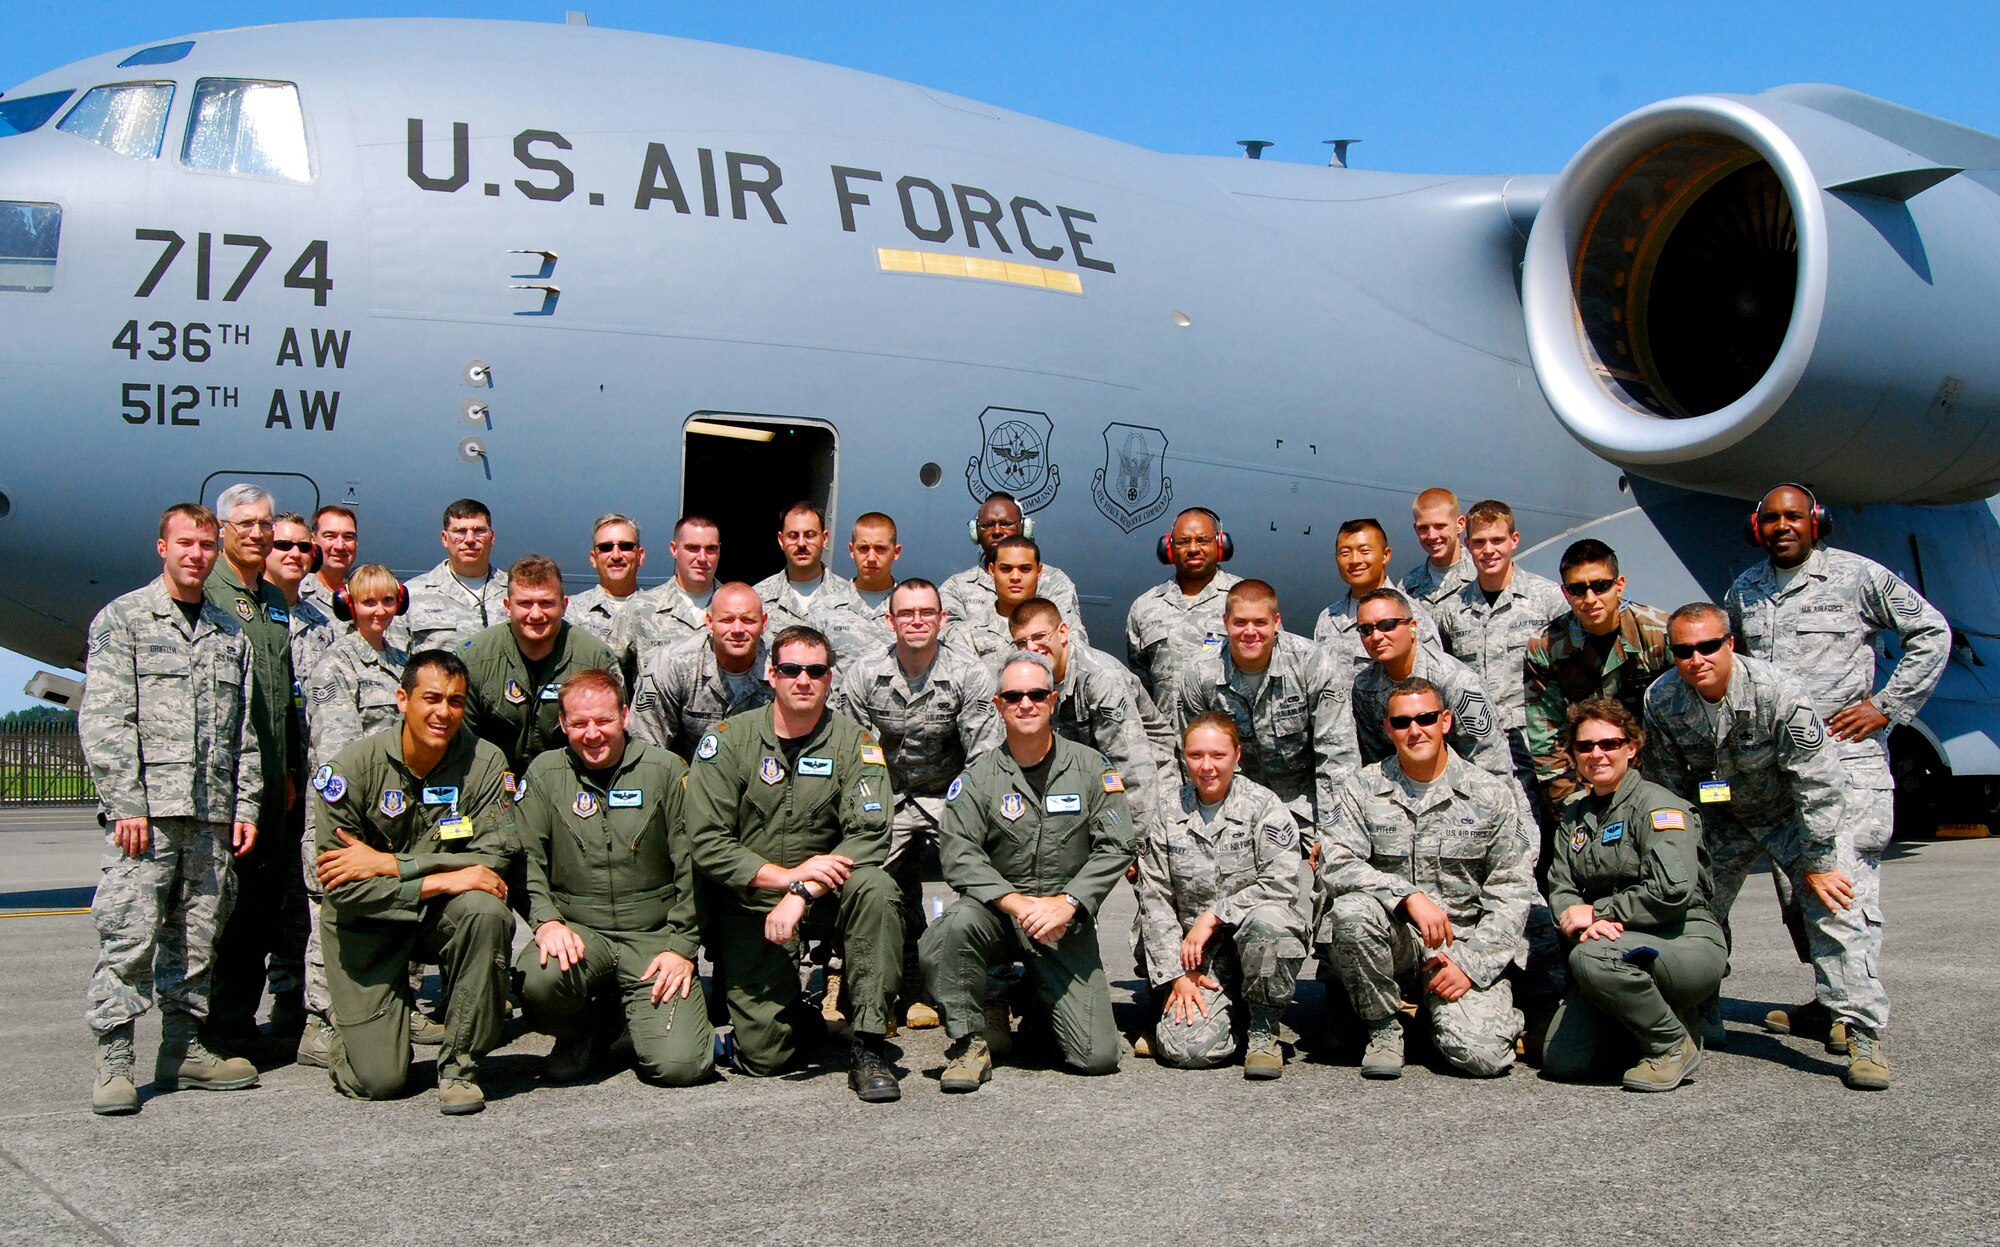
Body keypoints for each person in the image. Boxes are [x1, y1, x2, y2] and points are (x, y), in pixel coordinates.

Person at [1726, 483, 1948, 1051]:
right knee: (1798, 890)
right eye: (1772, 519)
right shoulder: (1746, 590)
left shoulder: (1857, 577)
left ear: (1815, 521)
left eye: (1794, 517)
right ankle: (1830, 1000)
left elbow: (1931, 631)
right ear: (1759, 527)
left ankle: (1855, 1014)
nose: (1782, 527)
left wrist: (1887, 706)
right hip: (1778, 767)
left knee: (1845, 886)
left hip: (1843, 756)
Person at [1643, 604, 1888, 1090]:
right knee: (1693, 907)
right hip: (1719, 817)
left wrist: (1818, 861)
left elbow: (1818, 782)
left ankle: (1860, 1030)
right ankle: (1701, 1007)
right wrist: (1676, 850)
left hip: (1789, 815)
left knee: (1833, 906)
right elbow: (1666, 783)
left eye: (1708, 646)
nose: (1697, 659)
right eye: (1684, 650)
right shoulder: (1663, 697)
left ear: (1730, 643)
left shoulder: (1779, 692)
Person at [81, 503, 263, 1115]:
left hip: (211, 816)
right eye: (186, 543)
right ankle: (114, 1060)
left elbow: (245, 733)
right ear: (162, 547)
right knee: (129, 937)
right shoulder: (125, 619)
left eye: (207, 545)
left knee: (197, 940)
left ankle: (183, 1049)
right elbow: (106, 719)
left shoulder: (228, 633)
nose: (197, 554)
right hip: (148, 816)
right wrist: (125, 802)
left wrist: (246, 805)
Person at [682, 626, 904, 1101]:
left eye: (816, 670)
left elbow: (869, 835)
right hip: (752, 899)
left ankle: (867, 1045)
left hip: (824, 895)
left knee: (877, 890)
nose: (803, 680)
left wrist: (802, 892)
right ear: (770, 673)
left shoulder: (855, 744)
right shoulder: (727, 742)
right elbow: (706, 840)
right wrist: (783, 881)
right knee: (765, 1059)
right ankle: (797, 1013)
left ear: (830, 678)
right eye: (790, 669)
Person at [312, 649, 517, 1114]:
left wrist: (390, 864)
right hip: (367, 925)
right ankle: (359, 1035)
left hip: (436, 917)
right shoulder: (350, 772)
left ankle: (461, 1067)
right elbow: (343, 886)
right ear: (402, 699)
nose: (444, 712)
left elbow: (494, 856)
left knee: (485, 912)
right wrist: (442, 877)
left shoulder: (484, 762)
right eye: (431, 698)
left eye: (456, 701)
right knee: (380, 1081)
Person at [922, 652, 1135, 1091]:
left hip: (1062, 922)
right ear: (999, 705)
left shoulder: (1092, 769)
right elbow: (959, 854)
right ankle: (968, 1042)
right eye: (1014, 696)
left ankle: (1036, 999)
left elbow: (1116, 845)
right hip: (999, 915)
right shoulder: (978, 778)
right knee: (948, 932)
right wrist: (1016, 903)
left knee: (1097, 1057)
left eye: (1036, 694)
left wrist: (1069, 902)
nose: (1026, 703)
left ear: (1052, 700)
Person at [1319, 677, 1534, 1080]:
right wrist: (1406, 896)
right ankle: (1383, 1027)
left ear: (1446, 721)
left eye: (1426, 718)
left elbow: (1513, 889)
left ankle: (1471, 1016)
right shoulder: (1362, 788)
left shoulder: (1489, 794)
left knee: (1482, 1058)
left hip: (1459, 947)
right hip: (1392, 942)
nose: (1414, 730)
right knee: (1350, 910)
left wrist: (1471, 965)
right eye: (1402, 723)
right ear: (1388, 729)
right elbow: (1336, 861)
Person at [515, 670, 715, 1087]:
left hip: (652, 936)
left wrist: (681, 946)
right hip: (581, 932)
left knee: (681, 1067)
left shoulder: (665, 770)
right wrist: (547, 921)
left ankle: (624, 1016)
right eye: (579, 723)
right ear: (563, 724)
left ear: (624, 715)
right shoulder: (545, 773)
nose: (592, 733)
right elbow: (527, 859)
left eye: (603, 720)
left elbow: (694, 865)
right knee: (540, 979)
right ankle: (579, 1032)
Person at [828, 577, 1001, 1029]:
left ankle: (980, 992)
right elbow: (854, 756)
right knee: (867, 882)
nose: (917, 621)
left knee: (983, 876)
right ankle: (869, 988)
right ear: (890, 620)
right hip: (885, 796)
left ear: (942, 619)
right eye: (907, 613)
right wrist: (871, 818)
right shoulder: (864, 674)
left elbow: (982, 757)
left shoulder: (969, 674)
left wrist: (967, 822)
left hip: (950, 795)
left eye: (927, 612)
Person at [1541, 698, 1725, 1091]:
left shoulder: (1658, 808)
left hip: (1683, 938)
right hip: (1613, 944)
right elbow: (1561, 887)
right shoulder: (1575, 817)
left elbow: (1672, 891)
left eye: (1609, 743)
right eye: (1586, 746)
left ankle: (1672, 1044)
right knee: (1563, 1060)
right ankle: (1653, 1019)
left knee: (1591, 958)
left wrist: (1599, 913)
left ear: (1632, 748)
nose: (1597, 754)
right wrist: (1580, 926)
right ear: (1573, 755)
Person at [1134, 713, 1307, 1078]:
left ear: (1237, 755)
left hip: (1251, 947)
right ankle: (1180, 1004)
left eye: (1218, 755)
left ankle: (1263, 1027)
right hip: (1194, 958)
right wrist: (1176, 976)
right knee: (1188, 1051)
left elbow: (1281, 884)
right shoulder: (1168, 811)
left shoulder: (1264, 807)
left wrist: (1214, 915)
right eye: (1196, 756)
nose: (1207, 767)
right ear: (1184, 758)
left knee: (1273, 921)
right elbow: (1155, 899)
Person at [297, 564, 413, 1069]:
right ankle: (320, 1025)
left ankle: (396, 1009)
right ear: (350, 606)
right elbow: (337, 755)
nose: (379, 611)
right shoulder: (334, 667)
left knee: (395, 911)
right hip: (347, 813)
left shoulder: (403, 664)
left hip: (397, 813)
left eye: (388, 601)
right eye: (368, 602)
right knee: (335, 917)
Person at [202, 482, 302, 1055]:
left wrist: (286, 769)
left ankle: (237, 1023)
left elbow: (281, 695)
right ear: (223, 530)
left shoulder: (269, 601)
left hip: (269, 781)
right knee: (218, 910)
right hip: (226, 779)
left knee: (260, 909)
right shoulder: (209, 593)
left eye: (264, 524)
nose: (258, 534)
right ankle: (210, 1032)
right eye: (246, 524)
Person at [1175, 580, 1357, 852]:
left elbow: (1337, 755)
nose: (1250, 632)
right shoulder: (1200, 674)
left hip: (1306, 806)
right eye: (1240, 623)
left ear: (1276, 622)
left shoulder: (1312, 664)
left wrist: (1334, 833)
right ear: (1225, 622)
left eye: (1260, 622)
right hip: (1237, 807)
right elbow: (1192, 758)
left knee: (1338, 870)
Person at [1522, 539, 1671, 811]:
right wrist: (1574, 806)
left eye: (1600, 586)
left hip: (1657, 777)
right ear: (1565, 593)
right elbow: (1546, 739)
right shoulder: (1546, 646)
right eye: (1578, 589)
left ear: (1619, 585)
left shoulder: (1659, 635)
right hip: (1588, 781)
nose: (1590, 599)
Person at [1435, 499, 1568, 792]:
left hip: (1540, 747)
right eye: (1480, 542)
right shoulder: (1451, 610)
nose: (1489, 550)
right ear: (1467, 545)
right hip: (1477, 749)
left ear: (1514, 541)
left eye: (1497, 540)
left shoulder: (1547, 600)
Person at [460, 555, 619, 775]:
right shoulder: (473, 659)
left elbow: (616, 740)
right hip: (491, 785)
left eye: (546, 603)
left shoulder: (596, 660)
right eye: (525, 603)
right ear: (508, 606)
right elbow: (460, 743)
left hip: (572, 787)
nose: (536, 614)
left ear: (564, 605)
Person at [1350, 587, 1511, 780]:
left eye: (1387, 625)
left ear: (1412, 627)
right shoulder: (1365, 686)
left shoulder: (1455, 682)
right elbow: (1376, 764)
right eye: (1366, 629)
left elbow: (1491, 764)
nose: (1376, 637)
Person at [630, 582, 773, 759]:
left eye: (748, 620)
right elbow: (646, 743)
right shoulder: (674, 663)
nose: (737, 630)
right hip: (688, 779)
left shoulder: (783, 667)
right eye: (727, 620)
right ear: (710, 622)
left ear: (764, 622)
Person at [1125, 507, 1240, 710]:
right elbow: (1141, 679)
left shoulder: (1243, 600)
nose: (1193, 548)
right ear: (1168, 549)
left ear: (1220, 544)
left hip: (1221, 735)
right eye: (1183, 541)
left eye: (1203, 540)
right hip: (1166, 737)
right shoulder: (1146, 606)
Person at [940, 492, 1087, 646]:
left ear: (1024, 528)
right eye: (988, 525)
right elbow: (949, 645)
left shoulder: (1054, 582)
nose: (997, 531)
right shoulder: (956, 587)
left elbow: (1071, 642)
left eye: (1006, 523)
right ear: (976, 533)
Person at [751, 501, 883, 658]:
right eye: (793, 536)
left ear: (825, 538)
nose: (801, 543)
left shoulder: (852, 598)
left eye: (810, 535)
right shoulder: (756, 600)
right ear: (781, 540)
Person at [1312, 518, 1440, 673]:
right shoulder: (1329, 618)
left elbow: (1433, 679)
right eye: (1345, 553)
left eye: (1364, 551)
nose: (1354, 560)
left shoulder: (1410, 615)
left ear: (1385, 555)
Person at [607, 514, 721, 683]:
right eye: (692, 548)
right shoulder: (641, 609)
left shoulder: (735, 609)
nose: (702, 558)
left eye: (710, 549)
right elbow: (610, 671)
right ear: (674, 549)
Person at [395, 498, 509, 654]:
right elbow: (396, 660)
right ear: (444, 538)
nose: (470, 539)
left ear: (492, 536)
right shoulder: (412, 594)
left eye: (478, 531)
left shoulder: (515, 591)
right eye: (460, 531)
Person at [956, 534, 1089, 662]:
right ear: (992, 571)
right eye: (1006, 569)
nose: (1015, 577)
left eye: (1025, 569)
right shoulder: (968, 634)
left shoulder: (1064, 626)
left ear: (1039, 571)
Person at [564, 513, 646, 644]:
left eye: (625, 546)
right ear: (593, 559)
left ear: (640, 556)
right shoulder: (569, 613)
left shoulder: (659, 612)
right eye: (605, 547)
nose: (616, 555)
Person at [1399, 487, 1476, 607]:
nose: (1432, 536)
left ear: (1460, 524)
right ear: (1416, 529)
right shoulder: (1408, 587)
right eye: (1423, 528)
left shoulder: (1481, 577)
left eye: (1440, 526)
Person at [300, 504, 359, 624]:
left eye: (348, 537)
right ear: (313, 539)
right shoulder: (297, 593)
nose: (340, 546)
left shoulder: (366, 595)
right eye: (330, 536)